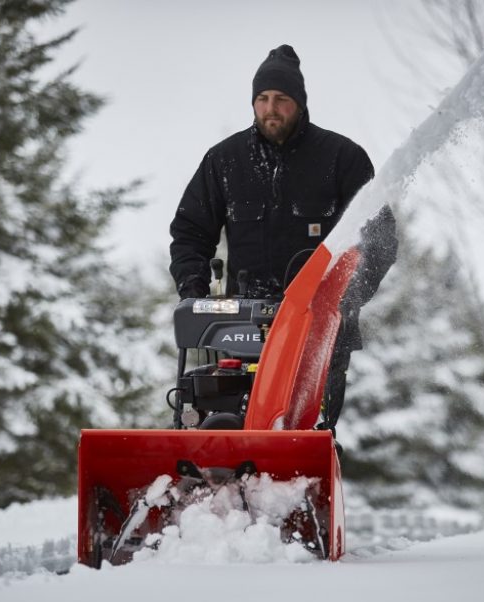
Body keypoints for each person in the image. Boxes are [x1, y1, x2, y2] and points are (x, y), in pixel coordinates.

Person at [169, 44, 397, 430]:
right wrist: (194, 290)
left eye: (281, 99)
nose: (271, 108)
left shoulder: (342, 159)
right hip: (240, 326)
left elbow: (380, 240)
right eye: (262, 99)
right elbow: (191, 229)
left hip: (318, 327)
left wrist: (345, 297)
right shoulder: (225, 161)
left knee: (302, 433)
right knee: (223, 424)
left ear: (300, 104)